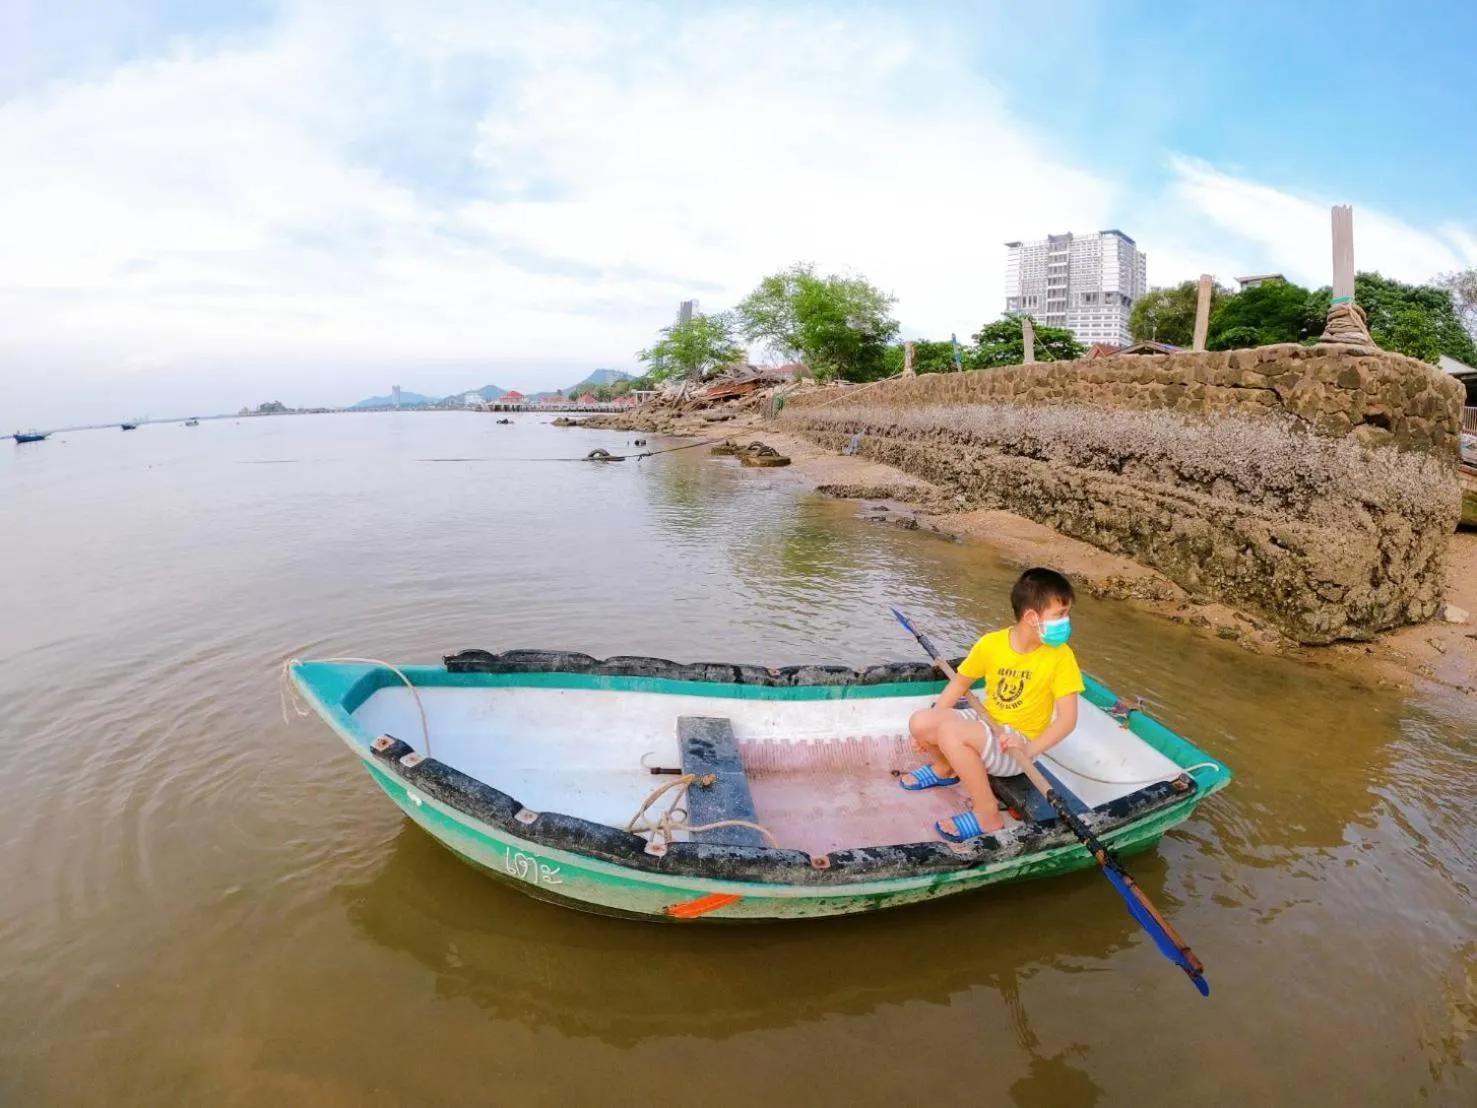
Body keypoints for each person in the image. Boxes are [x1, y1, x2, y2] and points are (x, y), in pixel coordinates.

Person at [899, 567, 1085, 842]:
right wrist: (929, 736)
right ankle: (944, 769)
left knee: (950, 732)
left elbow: (1067, 720)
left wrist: (1029, 748)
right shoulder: (992, 644)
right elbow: (960, 683)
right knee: (922, 721)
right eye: (1059, 615)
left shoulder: (1060, 657)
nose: (1066, 622)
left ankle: (987, 814)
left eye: (1066, 614)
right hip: (987, 723)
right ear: (1032, 617)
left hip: (1018, 746)